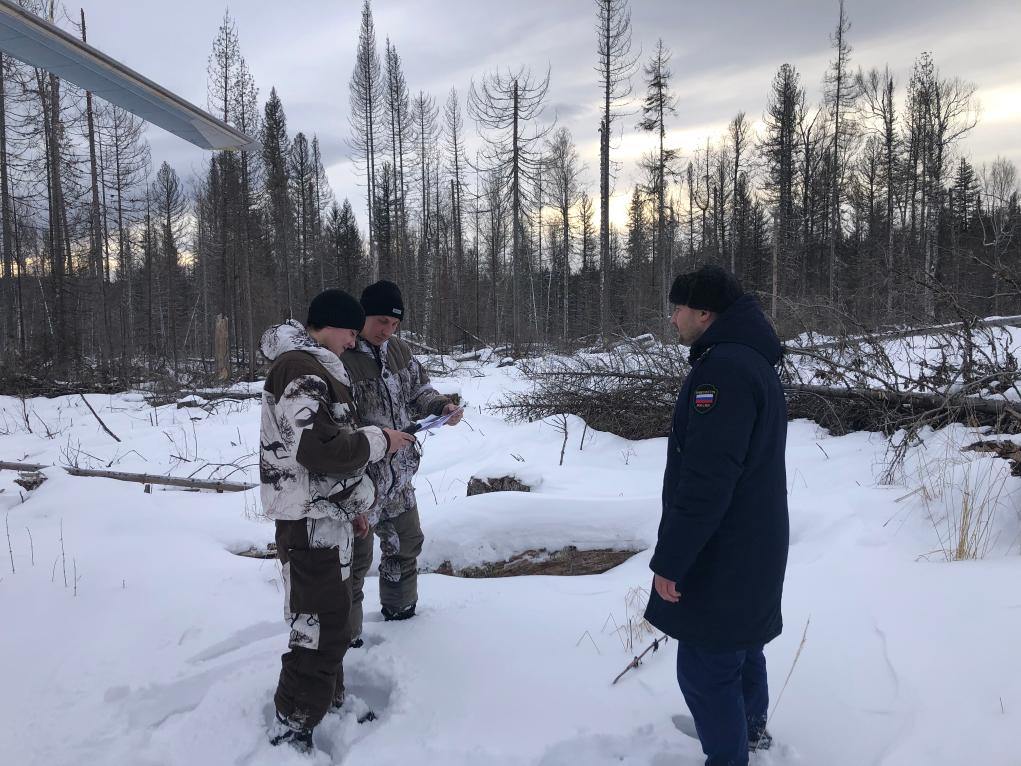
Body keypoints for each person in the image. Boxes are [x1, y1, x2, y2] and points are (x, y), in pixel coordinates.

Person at [644, 265, 789, 766]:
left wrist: (673, 559)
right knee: (741, 645)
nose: (672, 320)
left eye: (677, 309)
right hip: (753, 541)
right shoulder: (748, 360)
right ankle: (750, 732)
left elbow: (708, 479)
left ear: (705, 313)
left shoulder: (722, 371)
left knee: (706, 668)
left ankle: (730, 756)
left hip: (726, 547)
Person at [259, 288, 416, 752]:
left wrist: (354, 508)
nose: (354, 342)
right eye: (351, 331)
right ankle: (292, 726)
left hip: (330, 519)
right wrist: (380, 440)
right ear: (328, 325)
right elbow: (318, 449)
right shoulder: (300, 369)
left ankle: (330, 700)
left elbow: (328, 449)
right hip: (308, 524)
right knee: (319, 627)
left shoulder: (317, 367)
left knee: (334, 621)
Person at [342, 280, 462, 643]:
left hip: (399, 478)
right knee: (353, 568)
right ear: (362, 315)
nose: (387, 331)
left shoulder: (399, 350)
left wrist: (441, 406)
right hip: (361, 484)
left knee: (406, 545)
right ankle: (347, 642)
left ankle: (403, 616)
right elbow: (338, 427)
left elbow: (418, 390)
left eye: (394, 324)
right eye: (381, 321)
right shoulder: (341, 357)